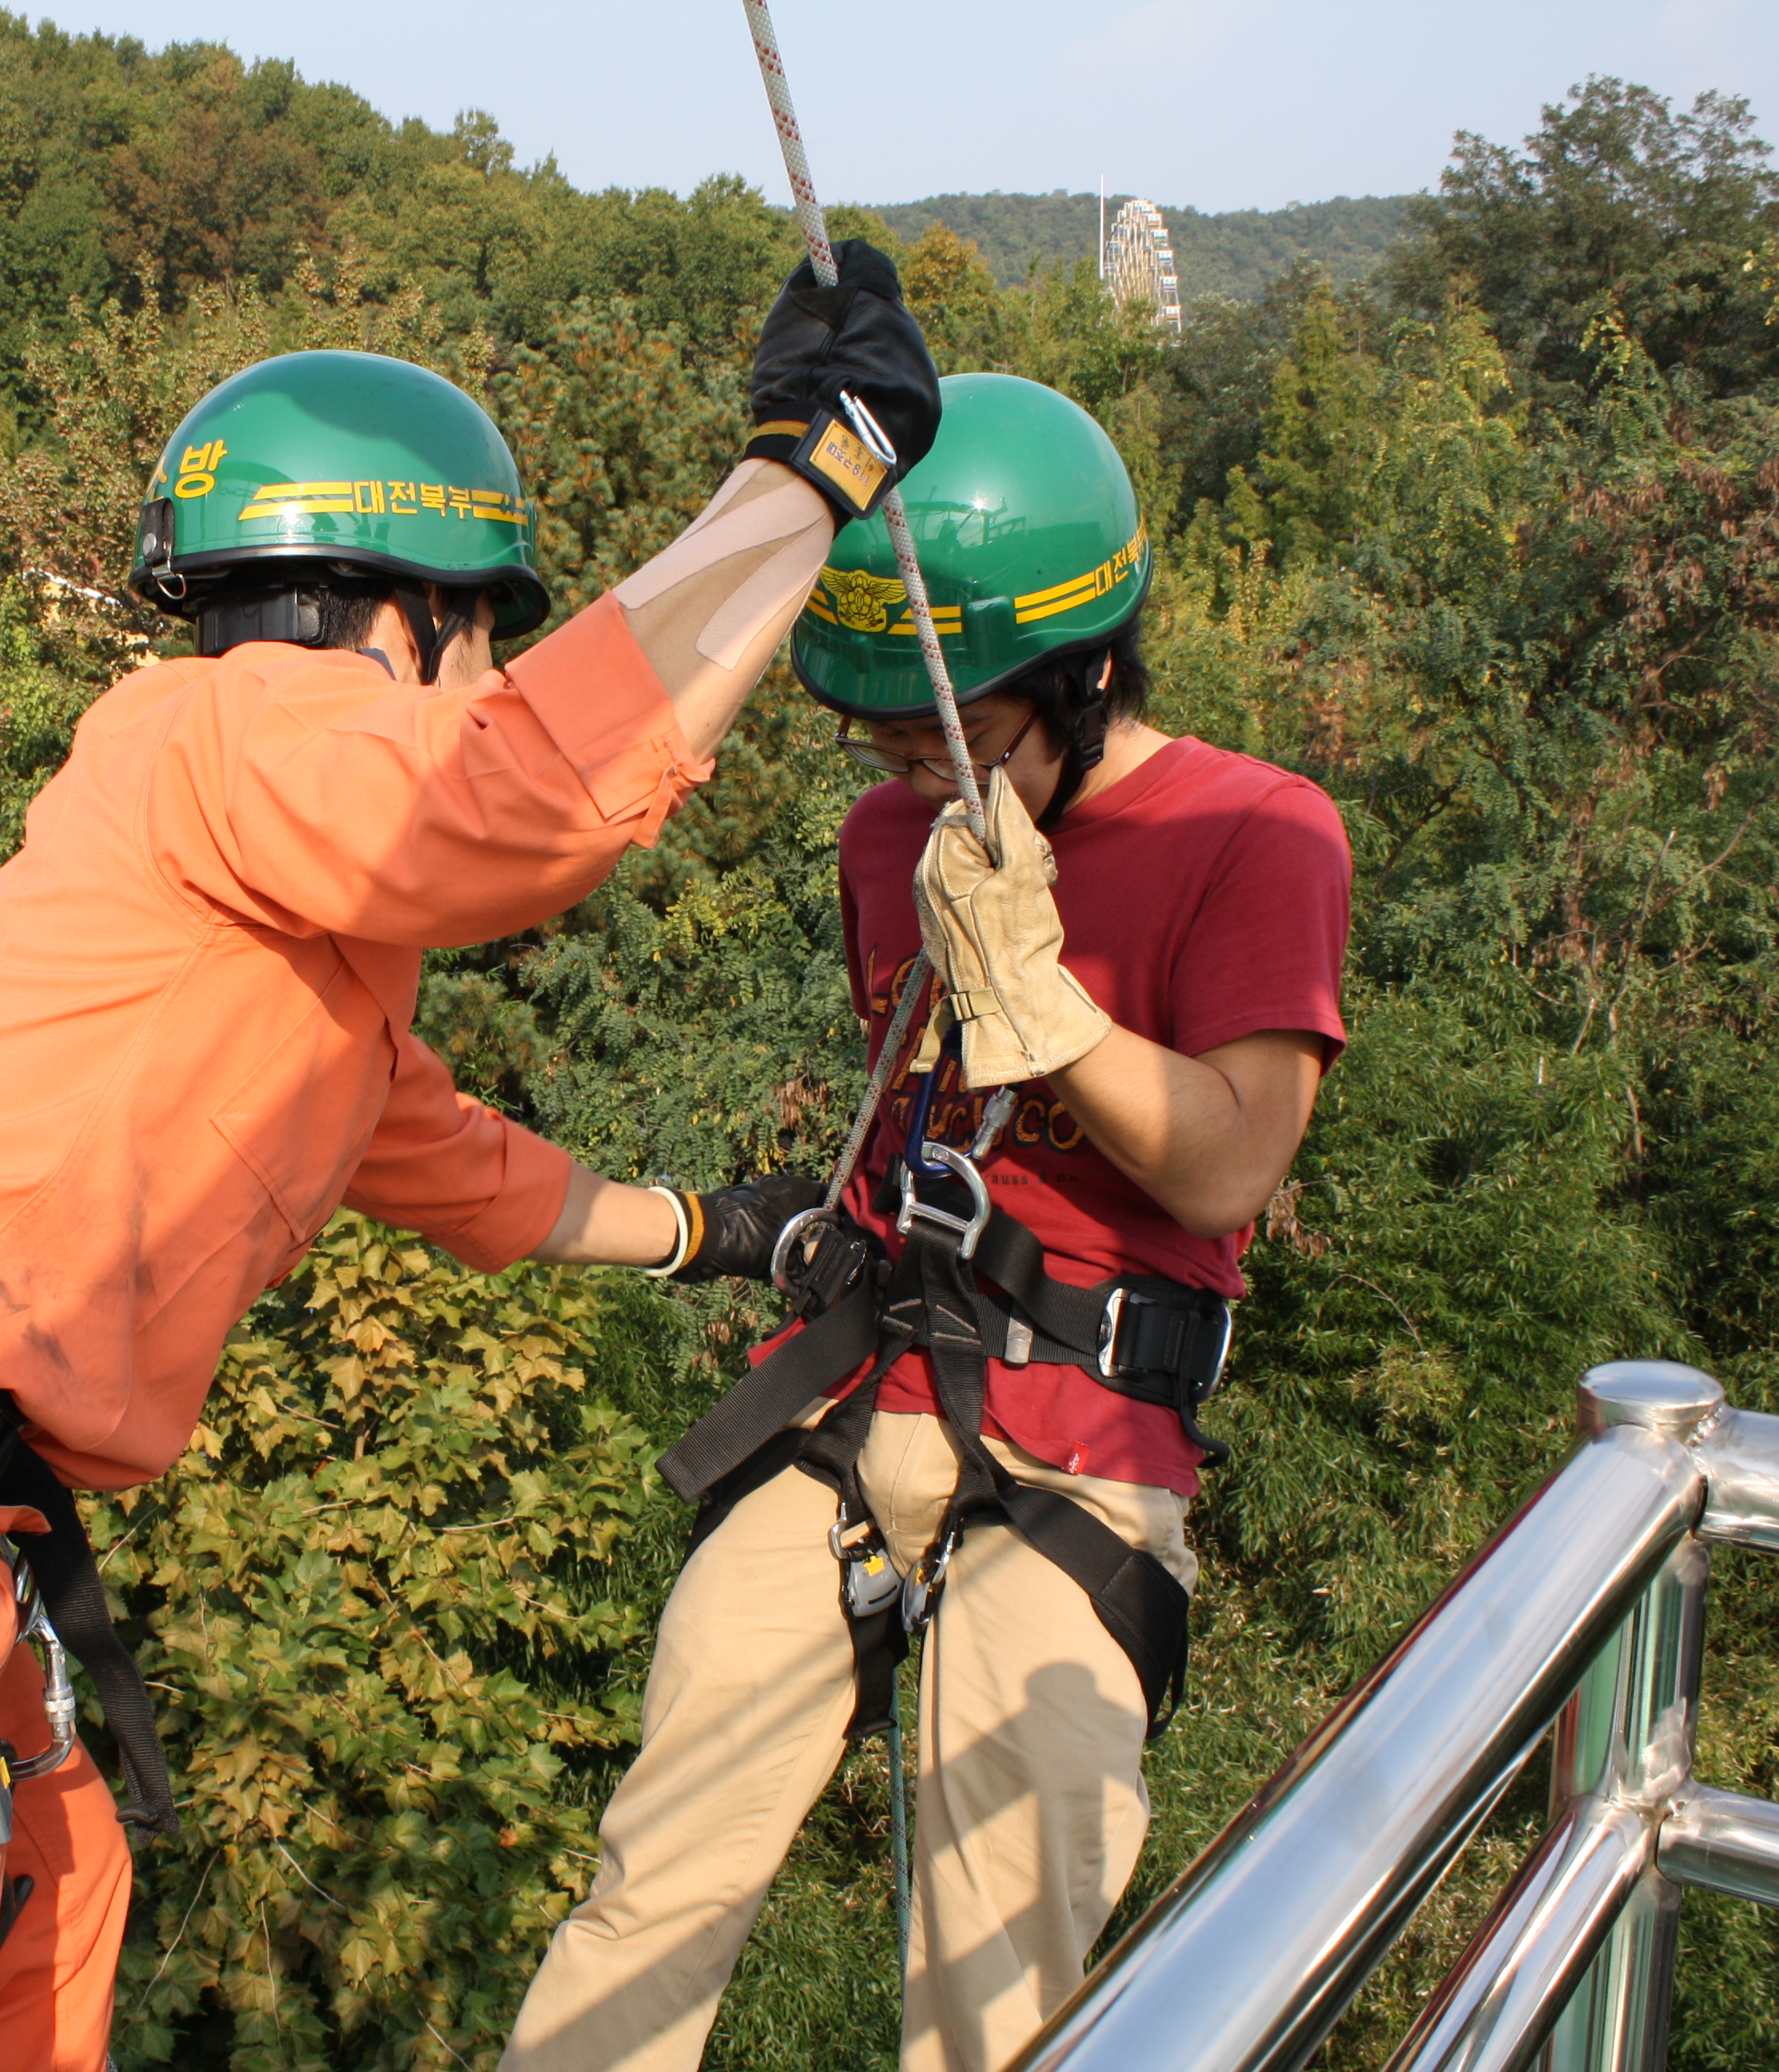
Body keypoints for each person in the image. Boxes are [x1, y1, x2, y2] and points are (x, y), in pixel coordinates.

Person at [0, 248, 945, 2070]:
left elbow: (451, 1161)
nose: (494, 675)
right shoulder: (222, 728)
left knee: (56, 1922)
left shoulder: (292, 937)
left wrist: (725, 1236)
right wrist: (803, 480)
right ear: (391, 613)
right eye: (488, 630)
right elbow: (525, 798)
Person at [499, 373, 1355, 2072]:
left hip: (1081, 1441)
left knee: (995, 1990)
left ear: (1090, 673)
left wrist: (1043, 1002)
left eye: (946, 735)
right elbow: (914, 1117)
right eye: (883, 738)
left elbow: (1232, 1169)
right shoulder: (888, 832)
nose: (906, 769)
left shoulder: (1253, 832)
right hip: (862, 1384)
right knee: (651, 1883)